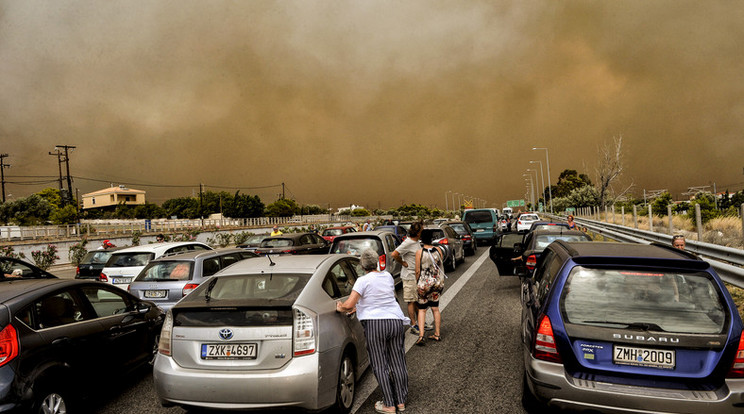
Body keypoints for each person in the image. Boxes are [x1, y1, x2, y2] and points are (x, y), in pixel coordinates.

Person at [336, 249, 409, 414]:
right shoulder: (388, 276)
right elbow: (379, 297)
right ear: (377, 262)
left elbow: (349, 304)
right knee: (398, 361)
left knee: (380, 364)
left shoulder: (362, 280)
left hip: (376, 324)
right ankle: (401, 401)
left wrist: (341, 307)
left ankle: (389, 404)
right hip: (395, 320)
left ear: (362, 265)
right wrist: (360, 306)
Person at [392, 221, 427, 335]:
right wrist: (402, 262)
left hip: (416, 275)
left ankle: (420, 322)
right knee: (411, 301)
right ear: (417, 232)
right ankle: (413, 324)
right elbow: (394, 254)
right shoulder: (408, 243)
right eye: (421, 230)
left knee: (417, 300)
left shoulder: (416, 242)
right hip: (409, 276)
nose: (423, 231)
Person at [414, 231, 445, 346]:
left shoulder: (419, 252)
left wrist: (418, 282)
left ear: (422, 239)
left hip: (424, 284)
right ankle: (437, 334)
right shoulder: (438, 250)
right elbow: (441, 265)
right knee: (435, 308)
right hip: (437, 284)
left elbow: (417, 270)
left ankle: (421, 336)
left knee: (422, 309)